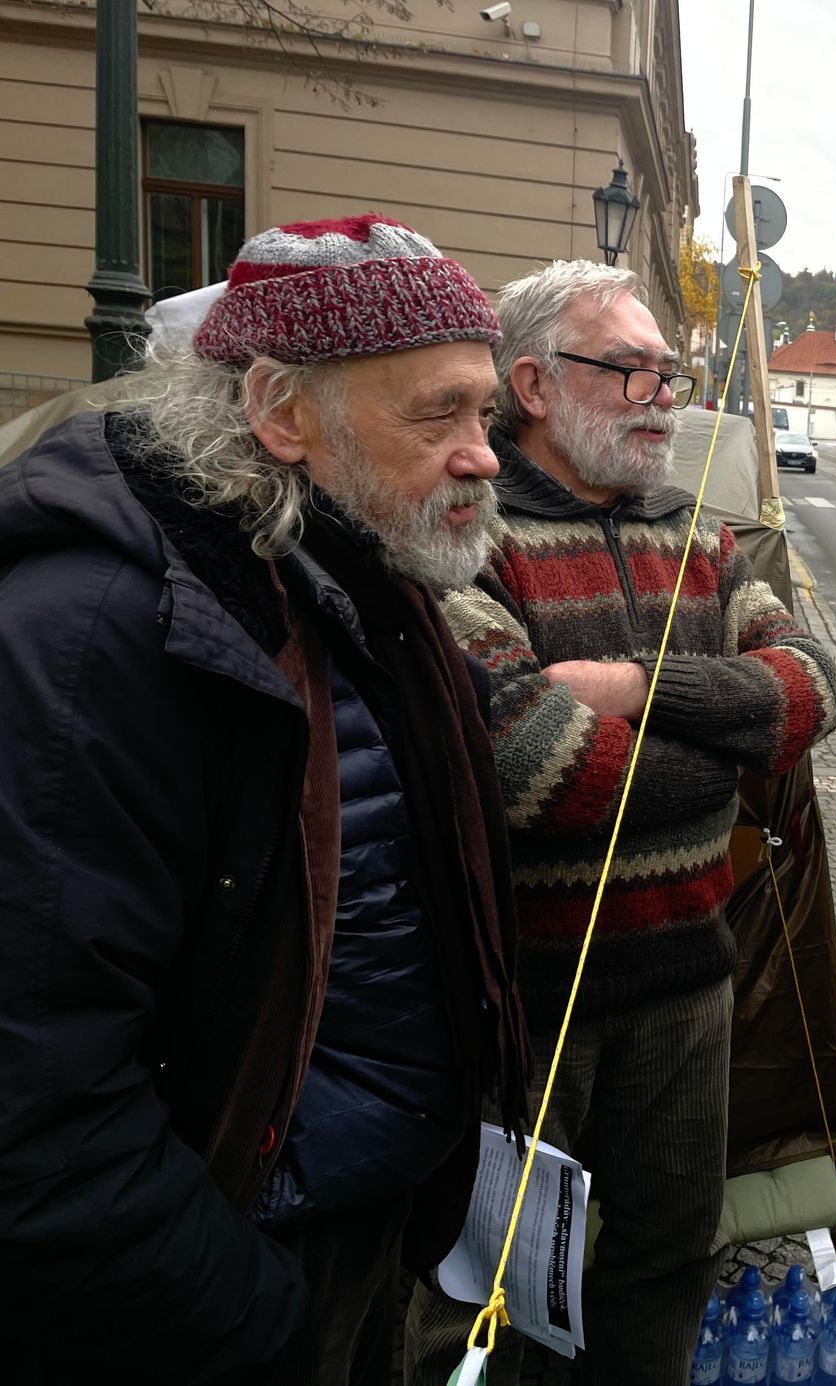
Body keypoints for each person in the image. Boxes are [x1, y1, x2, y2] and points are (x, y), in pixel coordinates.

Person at [0, 214, 529, 1385]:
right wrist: (257, 1319)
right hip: (226, 1284)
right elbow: (39, 1105)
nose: (485, 454)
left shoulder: (358, 570)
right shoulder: (94, 638)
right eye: (437, 412)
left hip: (355, 1221)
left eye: (486, 413)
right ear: (283, 414)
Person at [404, 260, 836, 1385]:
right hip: (528, 999)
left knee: (665, 1259)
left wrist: (638, 688)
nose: (666, 394)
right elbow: (528, 767)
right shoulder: (470, 532)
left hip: (692, 982)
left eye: (671, 370)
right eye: (632, 369)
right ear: (538, 385)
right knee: (502, 1284)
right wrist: (727, 748)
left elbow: (811, 692)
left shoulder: (698, 530)